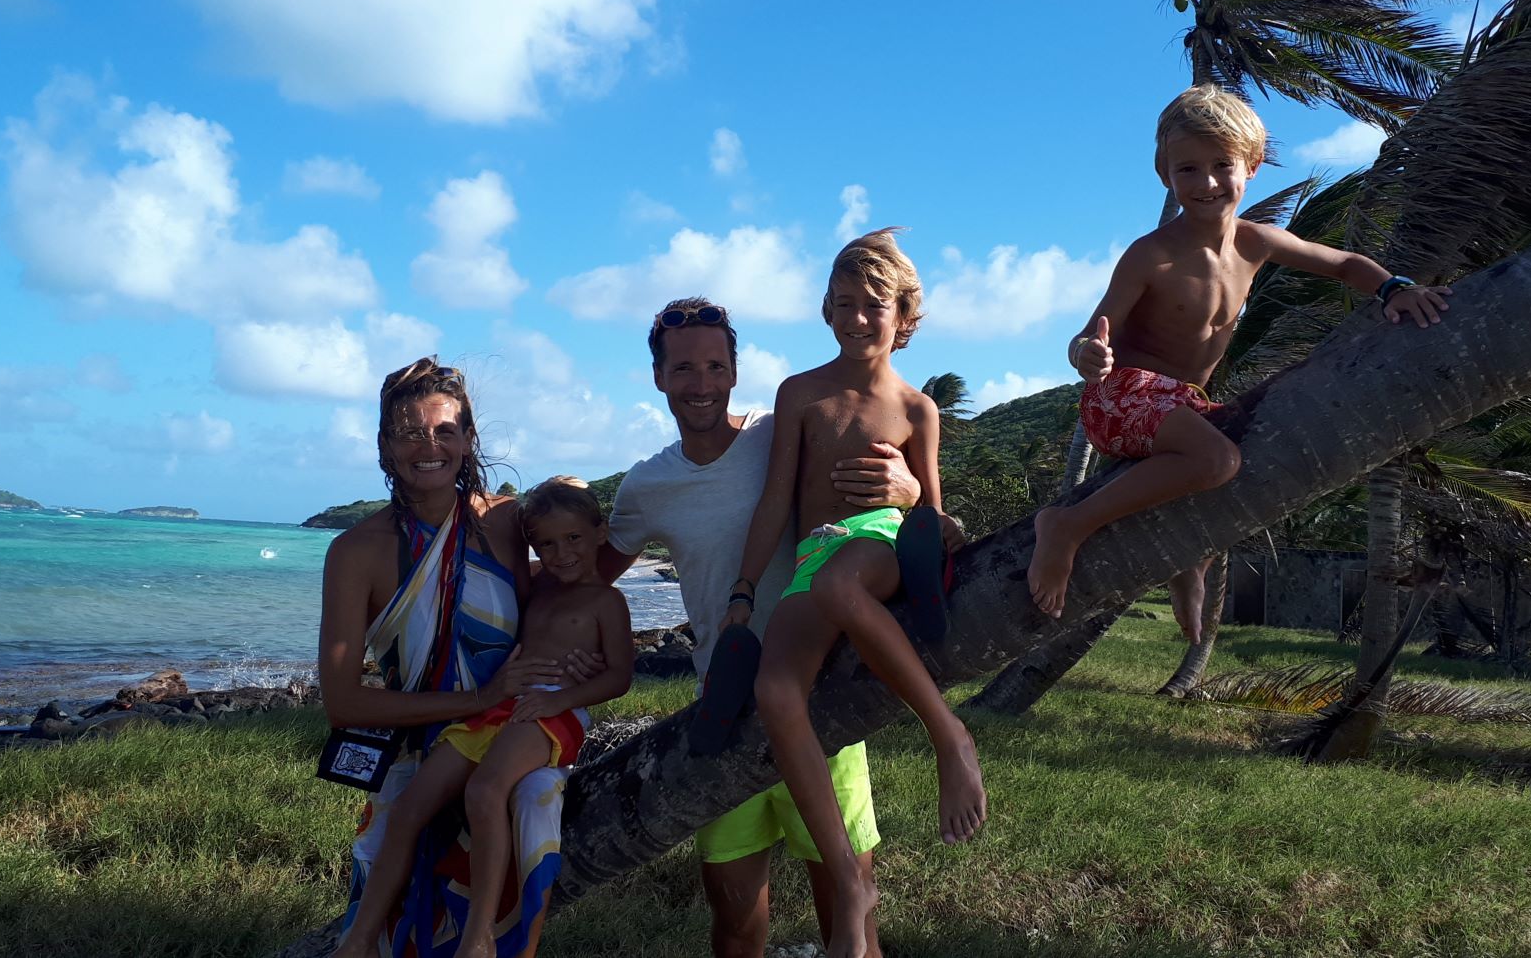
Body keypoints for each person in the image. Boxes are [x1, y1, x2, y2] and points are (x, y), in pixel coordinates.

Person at [1026, 84, 1453, 639]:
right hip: (1120, 396)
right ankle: (1066, 525)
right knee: (1218, 461)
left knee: (1248, 467)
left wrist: (1394, 287)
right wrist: (1088, 354)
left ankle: (1189, 560)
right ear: (1164, 175)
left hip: (1184, 405)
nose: (1206, 183)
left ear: (1250, 166)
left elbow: (1346, 263)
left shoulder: (1257, 242)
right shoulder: (1150, 254)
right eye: (1187, 169)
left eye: (1221, 166)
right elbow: (1088, 334)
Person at [595, 296, 933, 958]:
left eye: (714, 366)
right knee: (736, 926)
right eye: (683, 368)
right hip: (724, 710)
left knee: (851, 920)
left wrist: (912, 490)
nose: (700, 384)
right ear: (658, 376)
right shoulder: (646, 485)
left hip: (822, 704)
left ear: (734, 371)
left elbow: (883, 489)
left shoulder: (787, 430)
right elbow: (589, 574)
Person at [732, 229, 984, 958]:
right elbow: (776, 502)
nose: (857, 317)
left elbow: (933, 520)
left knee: (844, 582)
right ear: (826, 310)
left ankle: (950, 735)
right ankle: (849, 881)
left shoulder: (917, 409)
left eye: (874, 304)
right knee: (775, 691)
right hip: (814, 556)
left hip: (877, 545)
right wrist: (744, 591)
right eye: (843, 303)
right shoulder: (800, 393)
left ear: (904, 315)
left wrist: (908, 493)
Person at [318, 358, 573, 958]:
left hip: (509, 730)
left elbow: (573, 575)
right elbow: (343, 703)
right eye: (409, 433)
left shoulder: (507, 522)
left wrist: (582, 655)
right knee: (390, 881)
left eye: (444, 431)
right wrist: (477, 698)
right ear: (385, 445)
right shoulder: (356, 552)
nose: (428, 447)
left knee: (528, 805)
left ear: (467, 439)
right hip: (415, 747)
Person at [337, 476, 632, 958]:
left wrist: (562, 698)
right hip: (500, 705)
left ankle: (478, 937)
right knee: (410, 806)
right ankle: (360, 938)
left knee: (484, 790)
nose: (561, 553)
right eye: (547, 544)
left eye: (574, 538)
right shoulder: (538, 587)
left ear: (600, 533)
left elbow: (620, 677)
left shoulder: (607, 602)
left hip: (552, 712)